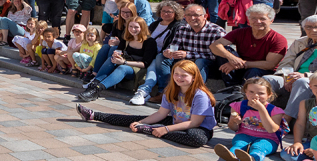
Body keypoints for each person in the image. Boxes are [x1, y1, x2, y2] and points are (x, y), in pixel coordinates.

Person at [77, 59, 216, 148]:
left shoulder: (200, 95)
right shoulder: (171, 90)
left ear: (193, 78)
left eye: (184, 75)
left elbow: (195, 123)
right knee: (135, 119)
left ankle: (153, 130)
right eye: (176, 74)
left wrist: (165, 130)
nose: (179, 78)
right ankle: (95, 115)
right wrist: (142, 122)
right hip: (176, 121)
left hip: (199, 128)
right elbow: (161, 113)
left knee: (196, 139)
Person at [214, 77, 288, 161]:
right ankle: (232, 157)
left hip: (268, 139)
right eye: (251, 92)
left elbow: (271, 129)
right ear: (246, 92)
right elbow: (233, 128)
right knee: (239, 144)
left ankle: (252, 160)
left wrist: (261, 109)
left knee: (258, 147)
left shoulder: (275, 111)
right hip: (245, 134)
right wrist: (234, 121)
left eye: (261, 93)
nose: (255, 96)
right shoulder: (238, 106)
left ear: (269, 95)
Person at [156, 4, 226, 101]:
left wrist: (187, 54)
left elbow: (219, 55)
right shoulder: (182, 29)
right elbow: (173, 46)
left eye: (196, 15)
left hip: (210, 64)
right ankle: (165, 92)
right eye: (188, 15)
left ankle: (193, 94)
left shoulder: (216, 31)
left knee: (200, 61)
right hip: (186, 62)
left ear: (205, 16)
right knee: (161, 57)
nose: (192, 18)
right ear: (185, 17)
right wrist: (168, 52)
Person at [80, 17, 157, 101]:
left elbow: (145, 64)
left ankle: (97, 89)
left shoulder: (150, 42)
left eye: (136, 27)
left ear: (142, 28)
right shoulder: (127, 38)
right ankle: (94, 84)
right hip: (125, 62)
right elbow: (120, 50)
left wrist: (124, 62)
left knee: (122, 68)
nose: (133, 29)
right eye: (130, 26)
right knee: (111, 59)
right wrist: (116, 55)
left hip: (137, 69)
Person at [210, 4, 288, 87]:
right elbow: (214, 46)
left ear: (271, 20)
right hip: (239, 67)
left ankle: (243, 93)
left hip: (260, 70)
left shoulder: (278, 39)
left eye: (262, 19)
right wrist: (232, 58)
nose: (258, 22)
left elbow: (270, 65)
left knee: (254, 71)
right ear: (249, 19)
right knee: (225, 50)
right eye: (254, 18)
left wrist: (242, 63)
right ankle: (231, 87)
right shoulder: (240, 32)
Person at [130, 0, 184, 105]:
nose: (166, 14)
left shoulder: (178, 26)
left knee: (155, 62)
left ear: (176, 13)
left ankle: (150, 90)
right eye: (163, 11)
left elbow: (175, 44)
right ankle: (147, 91)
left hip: (163, 55)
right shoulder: (155, 24)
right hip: (149, 53)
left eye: (169, 12)